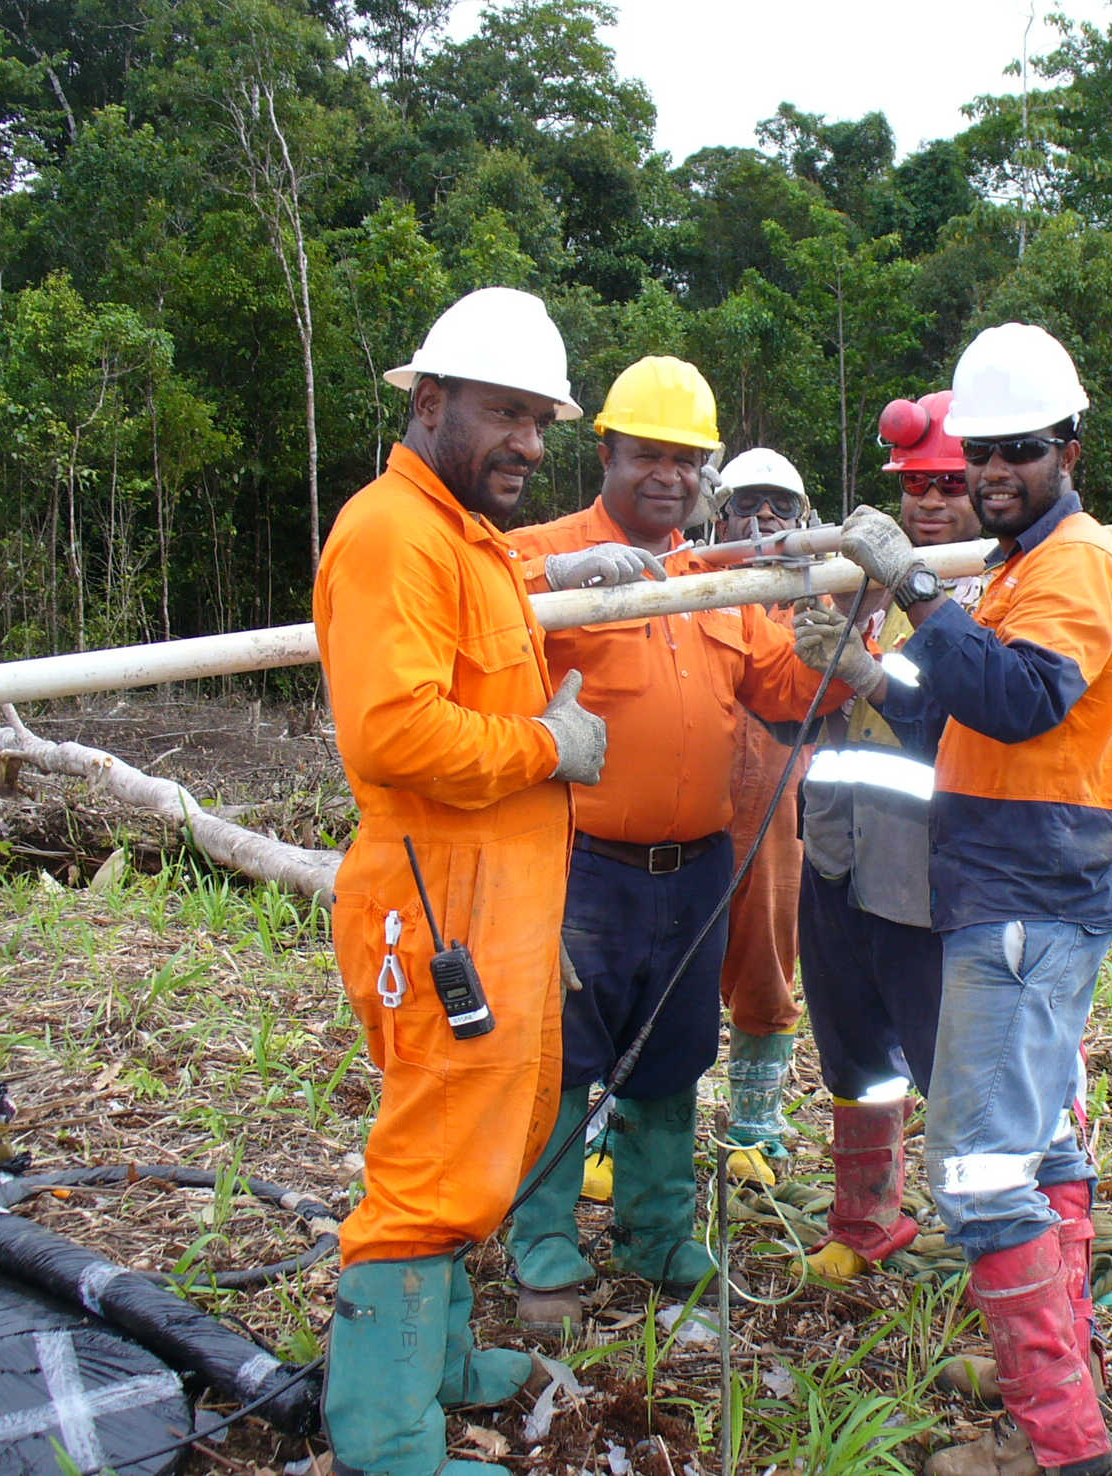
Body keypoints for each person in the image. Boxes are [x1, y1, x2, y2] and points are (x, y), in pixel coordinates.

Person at [794, 325, 1112, 1476]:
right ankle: (1055, 1364)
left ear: (1069, 452)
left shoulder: (1075, 566)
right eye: (981, 453)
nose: (994, 473)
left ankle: (1055, 1443)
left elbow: (1018, 700)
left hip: (1026, 897)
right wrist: (868, 672)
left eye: (1018, 452)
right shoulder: (1016, 571)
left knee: (983, 1170)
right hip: (1011, 886)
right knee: (1035, 1145)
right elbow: (951, 717)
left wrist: (909, 583)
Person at [496, 357, 899, 1336]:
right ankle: (544, 1248)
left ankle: (659, 1236)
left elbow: (781, 688)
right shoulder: (542, 552)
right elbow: (469, 599)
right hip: (582, 865)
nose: (667, 476)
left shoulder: (713, 579)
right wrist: (557, 580)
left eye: (685, 461)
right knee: (563, 1059)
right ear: (606, 453)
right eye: (648, 454)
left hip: (696, 867)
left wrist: (850, 633)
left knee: (673, 1058)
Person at [313, 286, 626, 1476]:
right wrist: (546, 746)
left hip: (498, 899)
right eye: (506, 413)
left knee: (480, 1146)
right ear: (431, 401)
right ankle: (385, 1441)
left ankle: (436, 1364)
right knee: (431, 1161)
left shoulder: (472, 541)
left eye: (541, 422)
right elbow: (393, 733)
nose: (530, 444)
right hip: (435, 900)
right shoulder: (393, 532)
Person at [790, 393, 984, 1288]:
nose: (929, 503)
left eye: (948, 484)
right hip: (839, 856)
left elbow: (969, 722)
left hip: (933, 875)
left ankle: (997, 1242)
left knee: (960, 1068)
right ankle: (865, 1217)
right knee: (856, 1052)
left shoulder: (982, 595)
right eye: (915, 486)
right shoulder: (866, 583)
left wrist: (867, 670)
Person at [703, 446, 820, 1173]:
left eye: (781, 505)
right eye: (747, 503)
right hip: (691, 813)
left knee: (768, 968)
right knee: (657, 969)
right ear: (720, 517)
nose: (765, 517)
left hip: (781, 822)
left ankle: (755, 1127)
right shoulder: (692, 584)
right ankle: (623, 1127)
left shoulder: (826, 593)